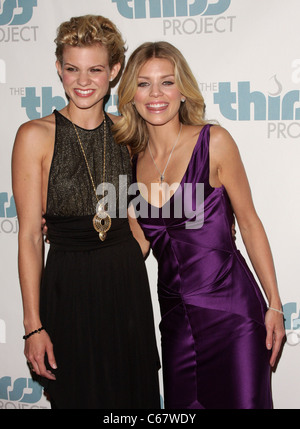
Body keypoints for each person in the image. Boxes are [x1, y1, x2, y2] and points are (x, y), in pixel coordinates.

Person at [113, 41, 285, 409]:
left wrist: (275, 304)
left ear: (182, 91)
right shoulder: (128, 160)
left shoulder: (214, 142)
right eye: (143, 84)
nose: (155, 94)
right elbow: (134, 247)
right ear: (130, 95)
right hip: (176, 322)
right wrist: (74, 232)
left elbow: (250, 223)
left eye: (167, 82)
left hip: (232, 314)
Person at [11, 16, 160, 409]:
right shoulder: (34, 136)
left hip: (125, 286)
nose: (83, 81)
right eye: (73, 69)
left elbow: (138, 208)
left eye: (95, 69)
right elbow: (28, 235)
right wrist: (32, 326)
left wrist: (135, 246)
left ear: (114, 71)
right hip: (67, 287)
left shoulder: (129, 134)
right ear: (59, 69)